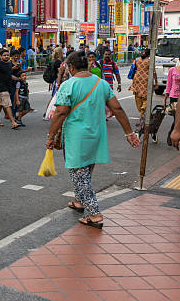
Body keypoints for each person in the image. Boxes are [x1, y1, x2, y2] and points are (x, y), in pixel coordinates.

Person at [47, 52, 140, 229]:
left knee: (79, 174)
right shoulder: (102, 84)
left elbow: (60, 112)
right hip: (96, 135)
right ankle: (78, 201)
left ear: (71, 67)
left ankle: (94, 213)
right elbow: (117, 109)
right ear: (87, 66)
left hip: (76, 137)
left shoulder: (69, 85)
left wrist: (50, 136)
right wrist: (129, 133)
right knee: (86, 171)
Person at [0, 50, 20, 129]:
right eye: (4, 55)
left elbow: (10, 75)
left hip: (8, 87)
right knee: (8, 104)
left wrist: (19, 79)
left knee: (1, 104)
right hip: (1, 87)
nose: (6, 56)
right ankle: (13, 122)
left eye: (7, 55)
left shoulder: (9, 64)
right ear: (1, 56)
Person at [129, 49, 157, 123]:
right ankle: (143, 112)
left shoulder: (137, 60)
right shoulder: (150, 61)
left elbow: (133, 69)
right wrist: (156, 82)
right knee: (146, 98)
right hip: (146, 80)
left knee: (138, 97)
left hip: (137, 79)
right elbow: (154, 72)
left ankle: (142, 112)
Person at [164, 52, 180, 145]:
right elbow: (169, 84)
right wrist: (165, 99)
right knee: (176, 118)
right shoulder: (172, 70)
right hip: (174, 97)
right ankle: (171, 134)